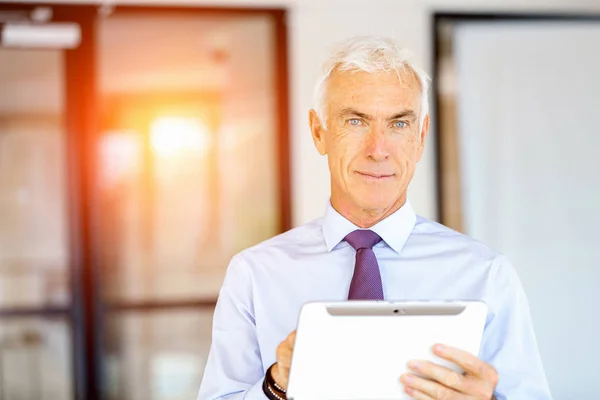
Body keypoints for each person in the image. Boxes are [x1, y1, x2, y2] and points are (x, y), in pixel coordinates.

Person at [198, 36, 552, 400]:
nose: (377, 149)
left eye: (398, 124)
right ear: (319, 132)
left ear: (421, 136)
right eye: (355, 121)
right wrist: (276, 385)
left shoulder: (487, 274)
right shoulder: (254, 275)